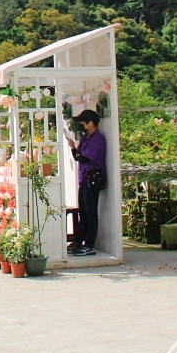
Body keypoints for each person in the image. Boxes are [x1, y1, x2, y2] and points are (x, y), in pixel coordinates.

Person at [68, 109, 106, 256]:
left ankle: (90, 244)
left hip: (92, 178)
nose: (82, 125)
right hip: (84, 178)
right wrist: (73, 148)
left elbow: (84, 158)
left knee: (91, 212)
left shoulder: (97, 139)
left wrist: (77, 153)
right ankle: (78, 241)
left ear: (91, 123)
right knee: (82, 212)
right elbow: (79, 156)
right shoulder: (86, 137)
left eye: (84, 123)